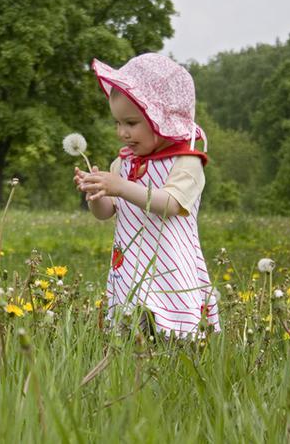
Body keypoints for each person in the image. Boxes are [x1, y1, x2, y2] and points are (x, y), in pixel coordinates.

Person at [74, 53, 220, 338]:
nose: (122, 133)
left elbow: (171, 204)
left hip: (170, 265)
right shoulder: (124, 164)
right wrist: (96, 194)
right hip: (130, 265)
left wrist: (120, 187)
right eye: (117, 123)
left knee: (176, 336)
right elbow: (107, 212)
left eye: (131, 123)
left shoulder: (186, 162)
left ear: (163, 118)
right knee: (132, 336)